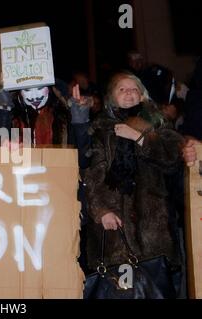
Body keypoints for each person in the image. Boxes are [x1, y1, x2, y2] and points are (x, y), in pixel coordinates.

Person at [82, 72, 184, 289]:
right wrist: (101, 211)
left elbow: (172, 159)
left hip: (154, 229)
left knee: (159, 290)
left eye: (134, 89)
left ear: (142, 95)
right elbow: (93, 175)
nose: (128, 93)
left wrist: (138, 137)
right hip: (115, 228)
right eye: (122, 89)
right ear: (111, 97)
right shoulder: (101, 129)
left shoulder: (158, 123)